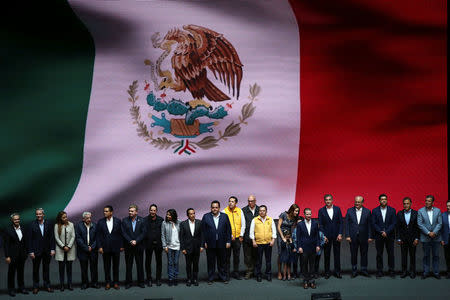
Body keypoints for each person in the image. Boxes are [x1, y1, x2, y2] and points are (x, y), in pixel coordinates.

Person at [201, 200, 232, 284]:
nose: (214, 209)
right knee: (211, 262)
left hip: (222, 243)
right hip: (210, 244)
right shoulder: (206, 216)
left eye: (216, 207)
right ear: (211, 208)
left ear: (219, 208)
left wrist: (228, 241)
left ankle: (223, 277)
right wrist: (204, 243)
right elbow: (203, 231)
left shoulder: (225, 216)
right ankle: (211, 278)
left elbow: (228, 230)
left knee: (222, 262)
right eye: (213, 207)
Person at [27, 208, 55, 294]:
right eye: (37, 214)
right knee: (35, 270)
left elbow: (52, 237)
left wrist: (52, 249)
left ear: (43, 214)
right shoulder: (32, 224)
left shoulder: (49, 223)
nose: (38, 215)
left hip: (47, 251)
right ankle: (36, 287)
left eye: (40, 214)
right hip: (36, 252)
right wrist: (31, 251)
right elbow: (30, 239)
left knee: (46, 269)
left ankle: (47, 285)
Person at [345, 196, 373, 278]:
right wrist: (347, 235)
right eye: (356, 202)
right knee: (353, 254)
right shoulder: (349, 211)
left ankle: (364, 270)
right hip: (352, 237)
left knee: (364, 254)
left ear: (362, 203)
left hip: (364, 236)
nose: (357, 203)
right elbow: (346, 224)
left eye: (359, 202)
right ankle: (354, 270)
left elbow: (369, 225)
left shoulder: (367, 211)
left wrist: (370, 236)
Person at [97, 205, 123, 290]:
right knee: (106, 266)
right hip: (106, 248)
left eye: (106, 211)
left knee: (116, 266)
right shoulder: (100, 222)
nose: (104, 213)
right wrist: (100, 247)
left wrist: (122, 246)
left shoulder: (118, 221)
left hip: (116, 248)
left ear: (111, 212)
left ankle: (116, 283)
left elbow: (121, 234)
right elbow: (98, 236)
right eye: (104, 211)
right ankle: (107, 282)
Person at [318, 194, 343, 278]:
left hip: (337, 236)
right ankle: (327, 272)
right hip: (326, 237)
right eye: (326, 200)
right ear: (324, 201)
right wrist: (323, 236)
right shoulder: (321, 210)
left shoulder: (337, 209)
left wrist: (340, 234)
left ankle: (337, 272)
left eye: (329, 199)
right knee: (327, 255)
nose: (328, 201)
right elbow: (320, 225)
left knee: (337, 254)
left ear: (332, 200)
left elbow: (341, 222)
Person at [122, 204, 146, 289]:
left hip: (139, 246)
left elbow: (143, 233)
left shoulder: (142, 220)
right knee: (128, 266)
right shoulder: (124, 221)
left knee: (140, 265)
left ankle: (141, 282)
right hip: (129, 247)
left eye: (132, 211)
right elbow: (124, 233)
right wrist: (130, 241)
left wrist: (137, 241)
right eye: (129, 211)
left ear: (136, 212)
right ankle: (128, 282)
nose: (130, 212)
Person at [372, 194, 397, 278]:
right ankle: (379, 271)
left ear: (387, 200)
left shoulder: (392, 210)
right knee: (379, 254)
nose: (383, 200)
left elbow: (394, 223)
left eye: (385, 199)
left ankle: (391, 271)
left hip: (389, 235)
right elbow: (374, 223)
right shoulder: (375, 211)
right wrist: (381, 231)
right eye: (382, 199)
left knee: (391, 254)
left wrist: (387, 231)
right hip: (379, 236)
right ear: (379, 201)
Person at [250, 205, 276, 282]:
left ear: (266, 211)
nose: (262, 212)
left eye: (263, 210)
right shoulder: (255, 220)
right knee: (258, 261)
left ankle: (268, 274)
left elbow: (274, 231)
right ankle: (258, 275)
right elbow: (251, 232)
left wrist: (273, 240)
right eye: (260, 210)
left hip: (268, 243)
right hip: (258, 243)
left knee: (268, 261)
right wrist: (253, 241)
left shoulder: (270, 220)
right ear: (259, 212)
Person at [417, 195, 442, 279]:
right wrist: (428, 233)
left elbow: (440, 223)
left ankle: (436, 272)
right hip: (425, 237)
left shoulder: (438, 211)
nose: (427, 202)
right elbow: (420, 224)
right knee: (426, 256)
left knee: (436, 256)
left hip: (436, 237)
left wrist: (434, 232)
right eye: (426, 201)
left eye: (429, 201)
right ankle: (426, 272)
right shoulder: (420, 211)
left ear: (433, 202)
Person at [3, 213, 28, 296]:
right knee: (11, 273)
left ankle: (22, 288)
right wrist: (7, 256)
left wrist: (26, 253)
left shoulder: (23, 228)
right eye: (15, 219)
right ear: (12, 220)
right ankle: (11, 289)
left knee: (21, 272)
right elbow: (6, 244)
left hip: (22, 255)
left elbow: (25, 242)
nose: (17, 221)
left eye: (18, 219)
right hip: (12, 256)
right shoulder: (8, 230)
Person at [296, 208, 320, 289]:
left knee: (312, 265)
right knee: (304, 265)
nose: (309, 215)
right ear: (304, 214)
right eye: (307, 214)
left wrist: (318, 245)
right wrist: (299, 247)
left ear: (311, 214)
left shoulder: (315, 223)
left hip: (313, 247)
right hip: (303, 248)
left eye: (310, 214)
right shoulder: (300, 224)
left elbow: (317, 236)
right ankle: (305, 281)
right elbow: (298, 237)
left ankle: (312, 282)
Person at [396, 197, 419, 278]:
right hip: (403, 239)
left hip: (413, 239)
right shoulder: (399, 213)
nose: (406, 205)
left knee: (412, 256)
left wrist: (417, 238)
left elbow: (417, 227)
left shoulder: (416, 213)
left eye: (407, 203)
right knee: (404, 256)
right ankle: (404, 271)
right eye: (404, 204)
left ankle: (412, 271)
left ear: (411, 204)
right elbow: (397, 227)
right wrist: (398, 238)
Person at [223, 196, 245, 280]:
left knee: (236, 257)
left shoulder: (240, 211)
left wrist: (241, 235)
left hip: (237, 239)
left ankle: (236, 273)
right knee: (227, 257)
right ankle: (227, 273)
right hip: (228, 239)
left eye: (232, 201)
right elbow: (223, 226)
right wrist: (229, 236)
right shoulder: (224, 211)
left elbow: (243, 224)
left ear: (236, 203)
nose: (230, 203)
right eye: (229, 201)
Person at [179, 208, 203, 286]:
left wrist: (202, 246)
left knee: (196, 264)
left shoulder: (199, 222)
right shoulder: (183, 224)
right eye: (190, 214)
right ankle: (189, 279)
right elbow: (181, 237)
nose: (192, 215)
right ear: (187, 215)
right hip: (187, 248)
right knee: (188, 265)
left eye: (193, 213)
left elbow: (202, 235)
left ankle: (195, 279)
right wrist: (182, 248)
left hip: (197, 247)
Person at [75, 211, 99, 289]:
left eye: (90, 217)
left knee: (94, 268)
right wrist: (86, 247)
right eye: (87, 218)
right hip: (83, 251)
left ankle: (94, 283)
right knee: (84, 268)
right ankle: (85, 283)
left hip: (93, 250)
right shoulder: (78, 226)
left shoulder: (95, 225)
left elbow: (97, 238)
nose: (89, 219)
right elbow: (78, 238)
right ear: (83, 219)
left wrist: (92, 247)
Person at [54, 211, 76, 291]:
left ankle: (70, 284)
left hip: (70, 250)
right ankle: (62, 285)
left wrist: (69, 246)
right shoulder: (56, 226)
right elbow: (56, 238)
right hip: (61, 250)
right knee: (61, 269)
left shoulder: (71, 224)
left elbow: (73, 236)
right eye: (63, 217)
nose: (65, 218)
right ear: (60, 218)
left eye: (66, 216)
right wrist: (63, 246)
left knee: (69, 269)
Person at [277, 204, 299, 280]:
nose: (297, 212)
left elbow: (293, 228)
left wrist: (291, 238)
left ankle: (287, 274)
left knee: (288, 253)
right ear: (292, 210)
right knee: (281, 253)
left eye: (297, 211)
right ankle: (279, 272)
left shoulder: (294, 218)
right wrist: (282, 237)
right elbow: (278, 226)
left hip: (288, 236)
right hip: (281, 236)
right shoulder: (283, 214)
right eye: (296, 211)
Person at [143, 204, 164, 286]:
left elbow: (163, 232)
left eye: (154, 210)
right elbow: (143, 232)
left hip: (158, 244)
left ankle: (158, 279)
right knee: (148, 262)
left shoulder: (161, 220)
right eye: (151, 210)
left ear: (156, 211)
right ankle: (149, 279)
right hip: (148, 244)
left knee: (159, 262)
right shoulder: (144, 220)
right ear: (149, 211)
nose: (152, 212)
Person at [162, 209, 181, 286]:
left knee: (176, 262)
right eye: (167, 214)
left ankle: (175, 278)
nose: (168, 216)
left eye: (169, 215)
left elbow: (182, 234)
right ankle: (170, 279)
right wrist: (164, 246)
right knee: (170, 263)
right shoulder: (164, 223)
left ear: (173, 215)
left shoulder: (179, 222)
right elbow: (162, 235)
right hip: (169, 246)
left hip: (178, 246)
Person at [241, 195, 259, 279]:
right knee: (247, 256)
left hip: (258, 236)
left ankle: (256, 271)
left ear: (255, 201)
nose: (250, 202)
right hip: (247, 236)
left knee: (256, 255)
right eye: (248, 201)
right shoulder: (243, 210)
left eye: (252, 201)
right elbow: (241, 223)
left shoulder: (260, 209)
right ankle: (249, 271)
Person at [441, 200, 450, 279]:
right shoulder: (443, 215)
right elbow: (441, 228)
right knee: (447, 257)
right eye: (447, 206)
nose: (448, 207)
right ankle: (448, 272)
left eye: (449, 206)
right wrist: (442, 239)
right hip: (446, 239)